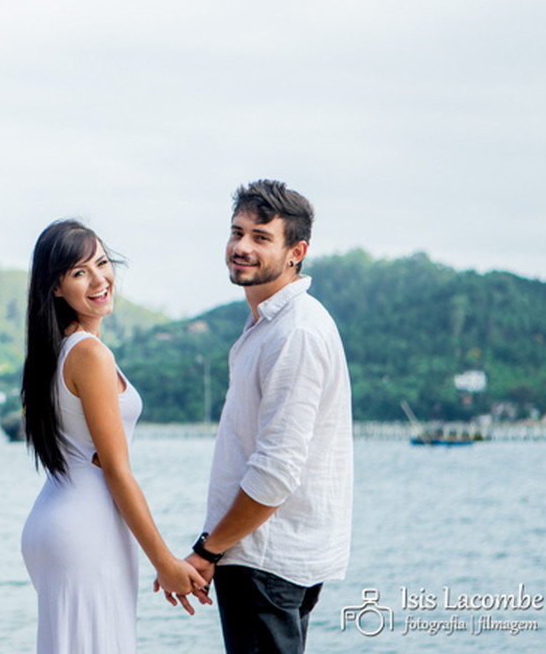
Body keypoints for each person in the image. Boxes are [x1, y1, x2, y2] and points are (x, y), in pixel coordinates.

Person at [172, 180, 353, 654]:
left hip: (265, 562)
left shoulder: (295, 333)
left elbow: (275, 473)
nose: (241, 247)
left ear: (297, 251)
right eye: (237, 232)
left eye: (260, 237)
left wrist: (208, 550)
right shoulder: (267, 326)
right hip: (264, 558)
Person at [20, 219, 208, 653]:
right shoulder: (89, 354)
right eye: (79, 272)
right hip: (86, 526)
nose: (99, 279)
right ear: (55, 287)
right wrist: (165, 561)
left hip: (58, 517)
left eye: (102, 263)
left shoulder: (58, 350)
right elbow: (117, 472)